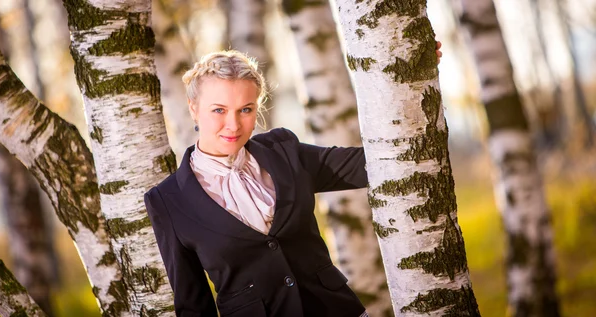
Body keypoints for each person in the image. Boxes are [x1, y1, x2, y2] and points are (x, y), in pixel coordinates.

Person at [144, 46, 443, 317]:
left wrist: (411, 80)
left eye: (246, 110)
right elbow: (193, 305)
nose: (233, 125)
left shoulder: (283, 151)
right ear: (194, 107)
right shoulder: (168, 201)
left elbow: (377, 161)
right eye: (219, 110)